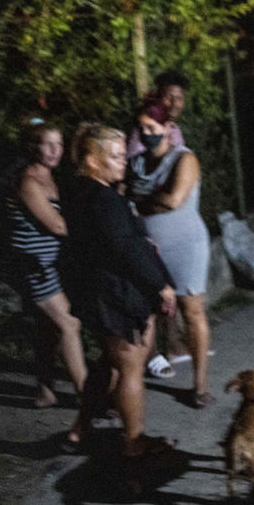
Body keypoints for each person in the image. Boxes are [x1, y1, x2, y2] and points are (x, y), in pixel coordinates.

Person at [62, 123, 176, 456]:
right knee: (130, 367)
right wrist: (161, 286)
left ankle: (80, 429)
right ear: (92, 160)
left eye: (122, 154)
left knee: (108, 363)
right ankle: (134, 446)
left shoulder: (79, 191)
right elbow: (125, 248)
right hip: (115, 294)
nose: (122, 162)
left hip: (95, 290)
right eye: (113, 156)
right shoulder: (104, 199)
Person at [127, 97, 214, 408]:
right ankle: (129, 382)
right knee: (145, 314)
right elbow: (128, 197)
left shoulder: (184, 159)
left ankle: (200, 386)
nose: (146, 133)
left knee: (192, 312)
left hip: (186, 246)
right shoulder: (137, 163)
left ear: (167, 127)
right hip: (150, 250)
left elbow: (173, 200)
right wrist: (145, 201)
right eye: (141, 128)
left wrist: (140, 203)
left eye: (152, 127)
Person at [4, 121, 87, 407]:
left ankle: (45, 390)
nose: (55, 150)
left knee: (50, 329)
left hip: (52, 264)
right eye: (47, 144)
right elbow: (58, 226)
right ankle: (86, 396)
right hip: (34, 266)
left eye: (59, 144)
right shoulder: (29, 182)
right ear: (32, 147)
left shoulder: (53, 177)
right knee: (69, 323)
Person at [125, 70, 190, 378]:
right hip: (144, 223)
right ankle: (151, 357)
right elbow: (137, 181)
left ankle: (174, 347)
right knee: (153, 291)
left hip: (168, 224)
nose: (175, 102)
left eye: (180, 97)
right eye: (170, 96)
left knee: (167, 289)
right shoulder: (143, 132)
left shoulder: (175, 132)